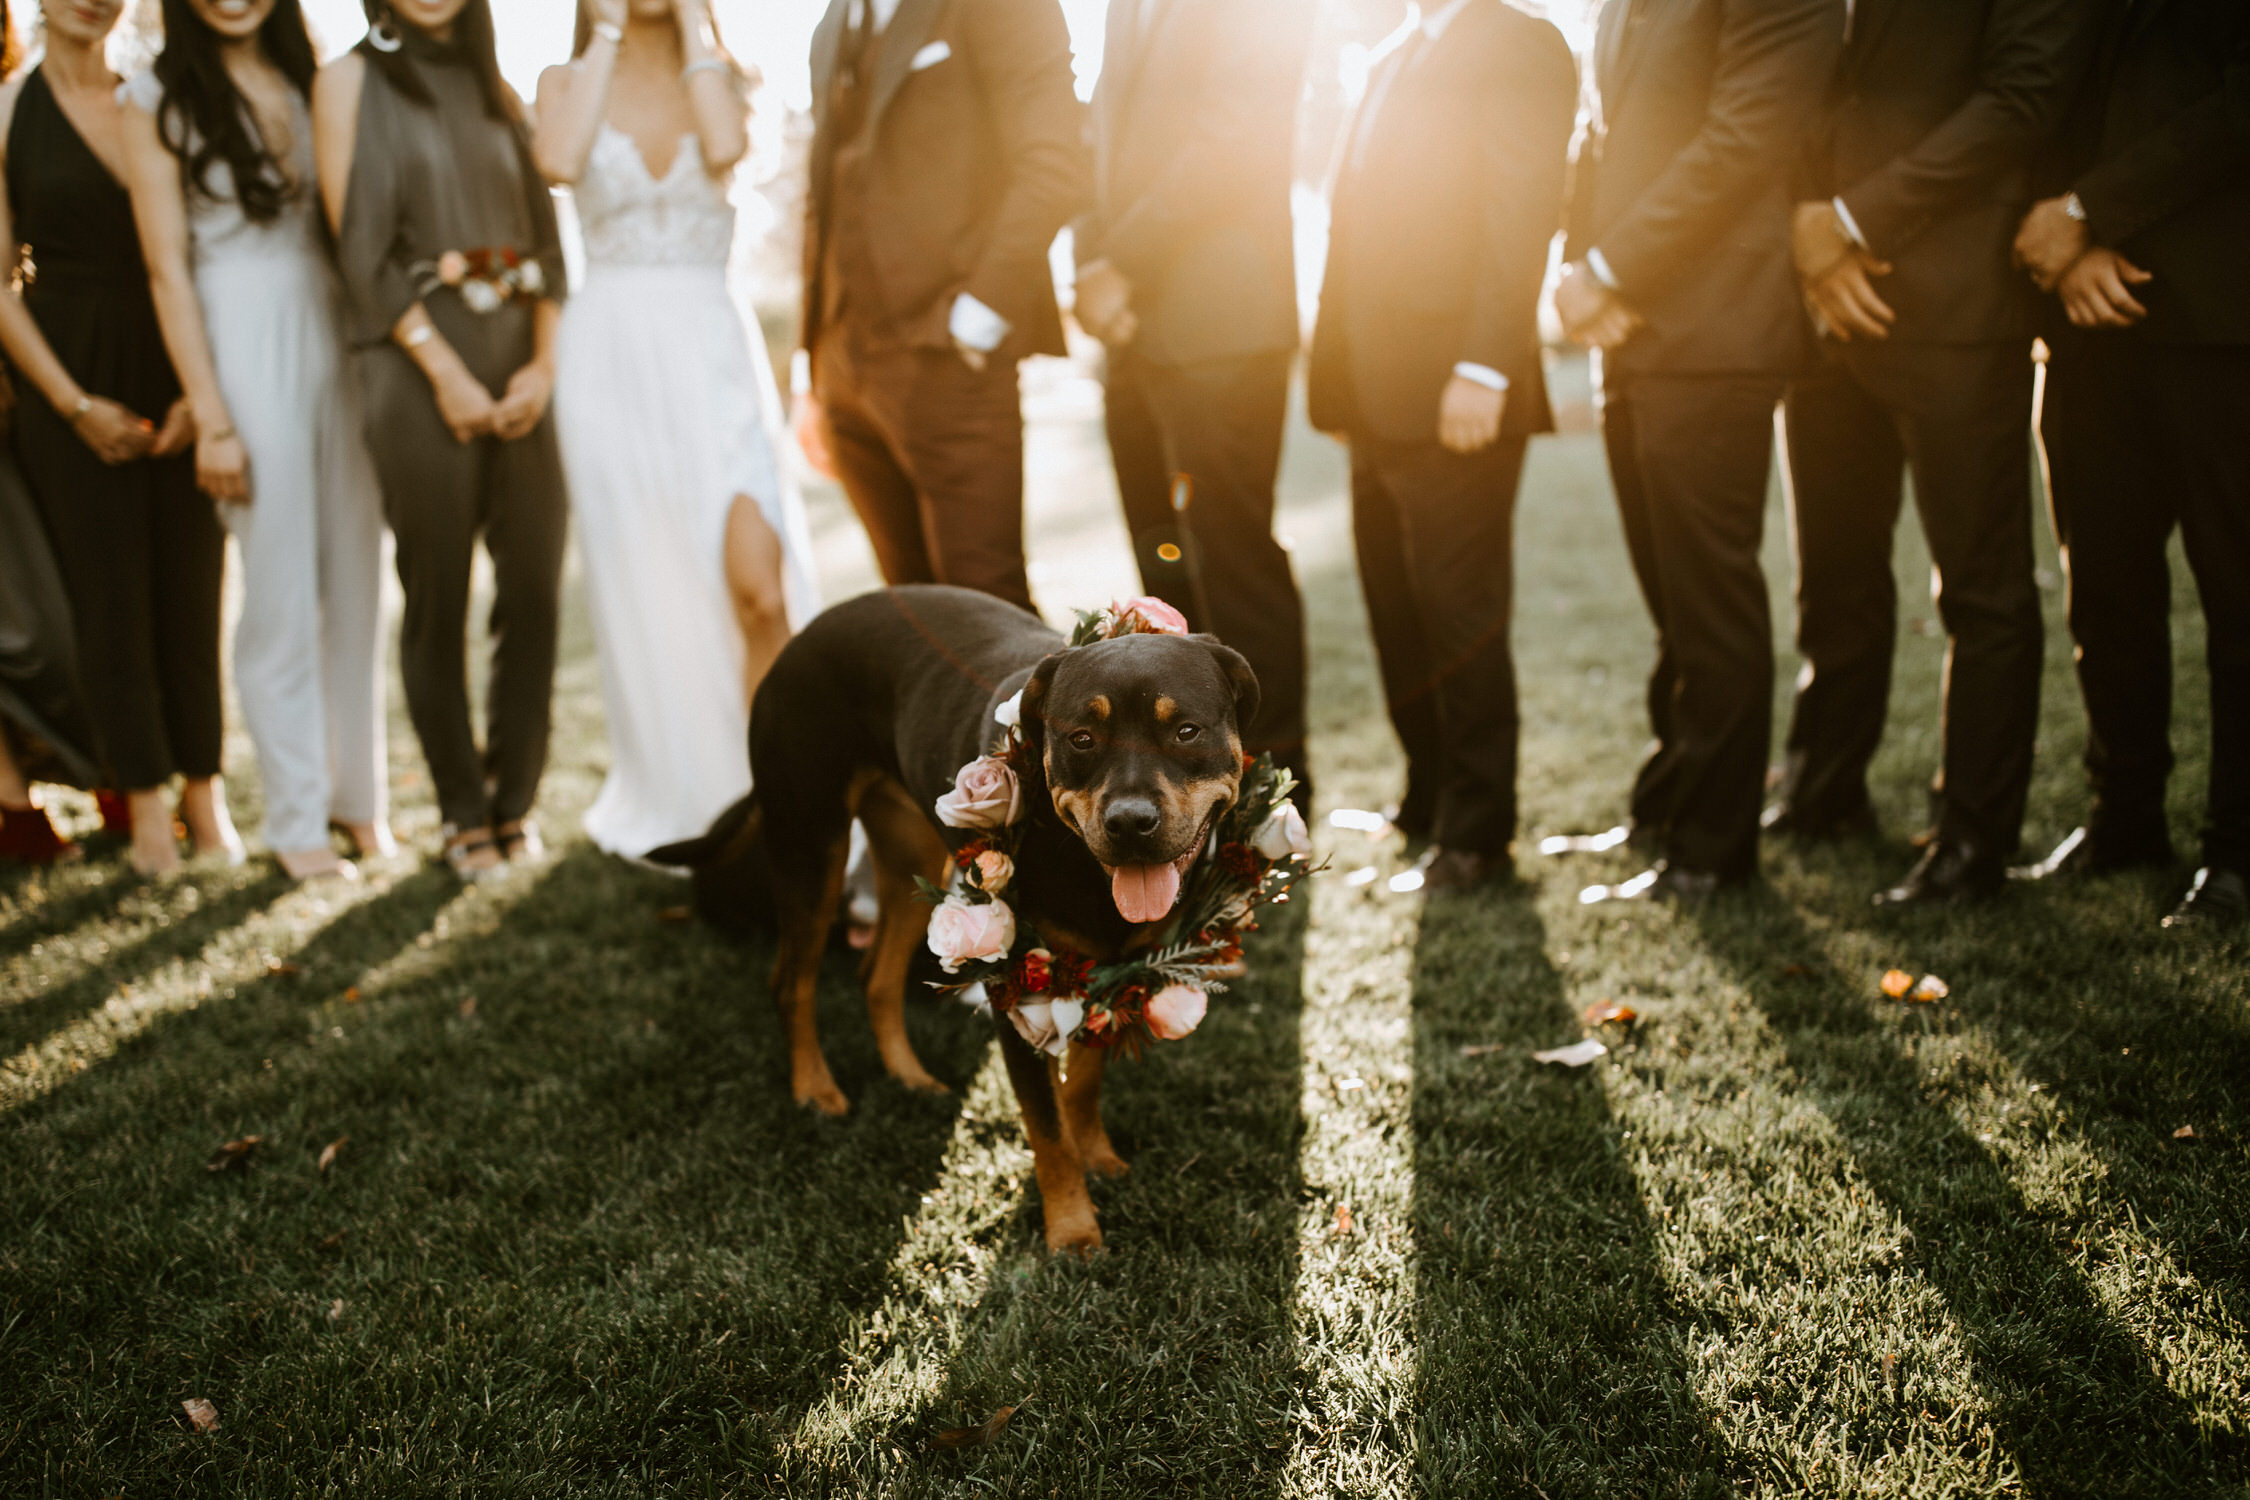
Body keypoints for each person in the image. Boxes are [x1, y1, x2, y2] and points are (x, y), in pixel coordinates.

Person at [1768, 0, 2102, 905]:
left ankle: (1972, 842)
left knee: (1981, 583)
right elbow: (1794, 83)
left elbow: (2021, 100)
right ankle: (1822, 789)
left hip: (1957, 297)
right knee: (1831, 568)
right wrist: (1809, 232)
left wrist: (1851, 217)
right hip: (1825, 298)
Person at [1547, 0, 1843, 904]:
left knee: (1710, 595)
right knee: (1670, 592)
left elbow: (1747, 135)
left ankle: (1716, 851)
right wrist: (1577, 262)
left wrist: (1611, 270)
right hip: (1630, 332)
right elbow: (1604, 133)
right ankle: (1669, 805)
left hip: (1717, 327)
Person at [533, 0, 820, 859]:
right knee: (651, 583)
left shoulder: (727, 79)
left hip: (711, 353)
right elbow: (559, 157)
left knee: (758, 588)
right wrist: (611, 32)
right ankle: (691, 795)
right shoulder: (563, 81)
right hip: (610, 363)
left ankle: (789, 800)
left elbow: (725, 148)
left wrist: (695, 26)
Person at [121, 0, 393, 884]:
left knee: (358, 581)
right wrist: (214, 414)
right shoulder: (154, 95)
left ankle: (360, 799)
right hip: (238, 335)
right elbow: (166, 268)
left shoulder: (309, 76)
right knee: (278, 594)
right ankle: (295, 818)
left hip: (337, 326)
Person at [1307, 0, 1577, 889]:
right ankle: (1425, 795)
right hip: (1375, 396)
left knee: (1458, 612)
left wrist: (1487, 368)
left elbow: (1521, 209)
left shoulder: (1519, 40)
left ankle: (1477, 833)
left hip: (1459, 388)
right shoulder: (1393, 54)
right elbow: (1353, 229)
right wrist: (1337, 382)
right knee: (1395, 606)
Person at [313, 0, 570, 881]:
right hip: (412, 370)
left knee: (534, 587)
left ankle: (515, 801)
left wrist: (541, 365)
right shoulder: (347, 80)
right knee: (438, 596)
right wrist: (446, 373)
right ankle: (463, 813)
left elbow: (546, 241)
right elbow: (358, 249)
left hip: (521, 373)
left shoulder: (494, 82)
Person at [2013, 0, 2250, 931]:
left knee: (2239, 595)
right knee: (2102, 584)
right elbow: (2031, 99)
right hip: (2078, 322)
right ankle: (2124, 819)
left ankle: (2238, 853)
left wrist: (2091, 211)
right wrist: (2061, 254)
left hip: (2226, 317)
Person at [0, 0, 238, 878]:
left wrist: (196, 393)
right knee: (108, 604)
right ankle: (141, 807)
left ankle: (204, 800)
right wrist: (70, 405)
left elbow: (200, 254)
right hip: (67, 377)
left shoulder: (160, 101)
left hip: (175, 362)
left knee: (193, 585)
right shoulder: (5, 113)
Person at [1077, 0, 1314, 807]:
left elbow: (1232, 137)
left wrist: (1119, 265)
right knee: (1161, 569)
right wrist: (1089, 266)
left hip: (1222, 325)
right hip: (1133, 338)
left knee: (1234, 560)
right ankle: (1189, 795)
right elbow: (1096, 146)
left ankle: (1276, 793)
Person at [793, 0, 1085, 613]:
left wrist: (978, 317)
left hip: (950, 353)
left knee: (988, 603)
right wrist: (813, 358)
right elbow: (823, 192)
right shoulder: (835, 22)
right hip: (844, 362)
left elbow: (1054, 163)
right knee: (914, 614)